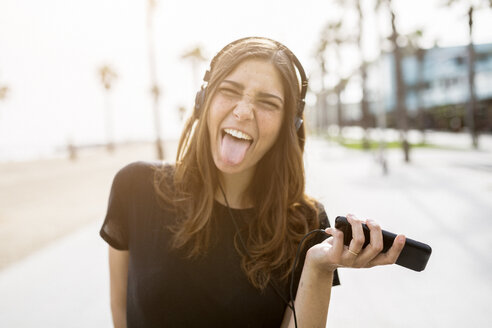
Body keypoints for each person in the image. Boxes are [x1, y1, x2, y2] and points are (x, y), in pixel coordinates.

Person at [100, 37, 406, 328]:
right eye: (230, 91)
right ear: (203, 101)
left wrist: (317, 265)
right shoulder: (135, 187)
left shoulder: (306, 223)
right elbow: (120, 312)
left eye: (268, 103)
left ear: (290, 125)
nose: (243, 111)